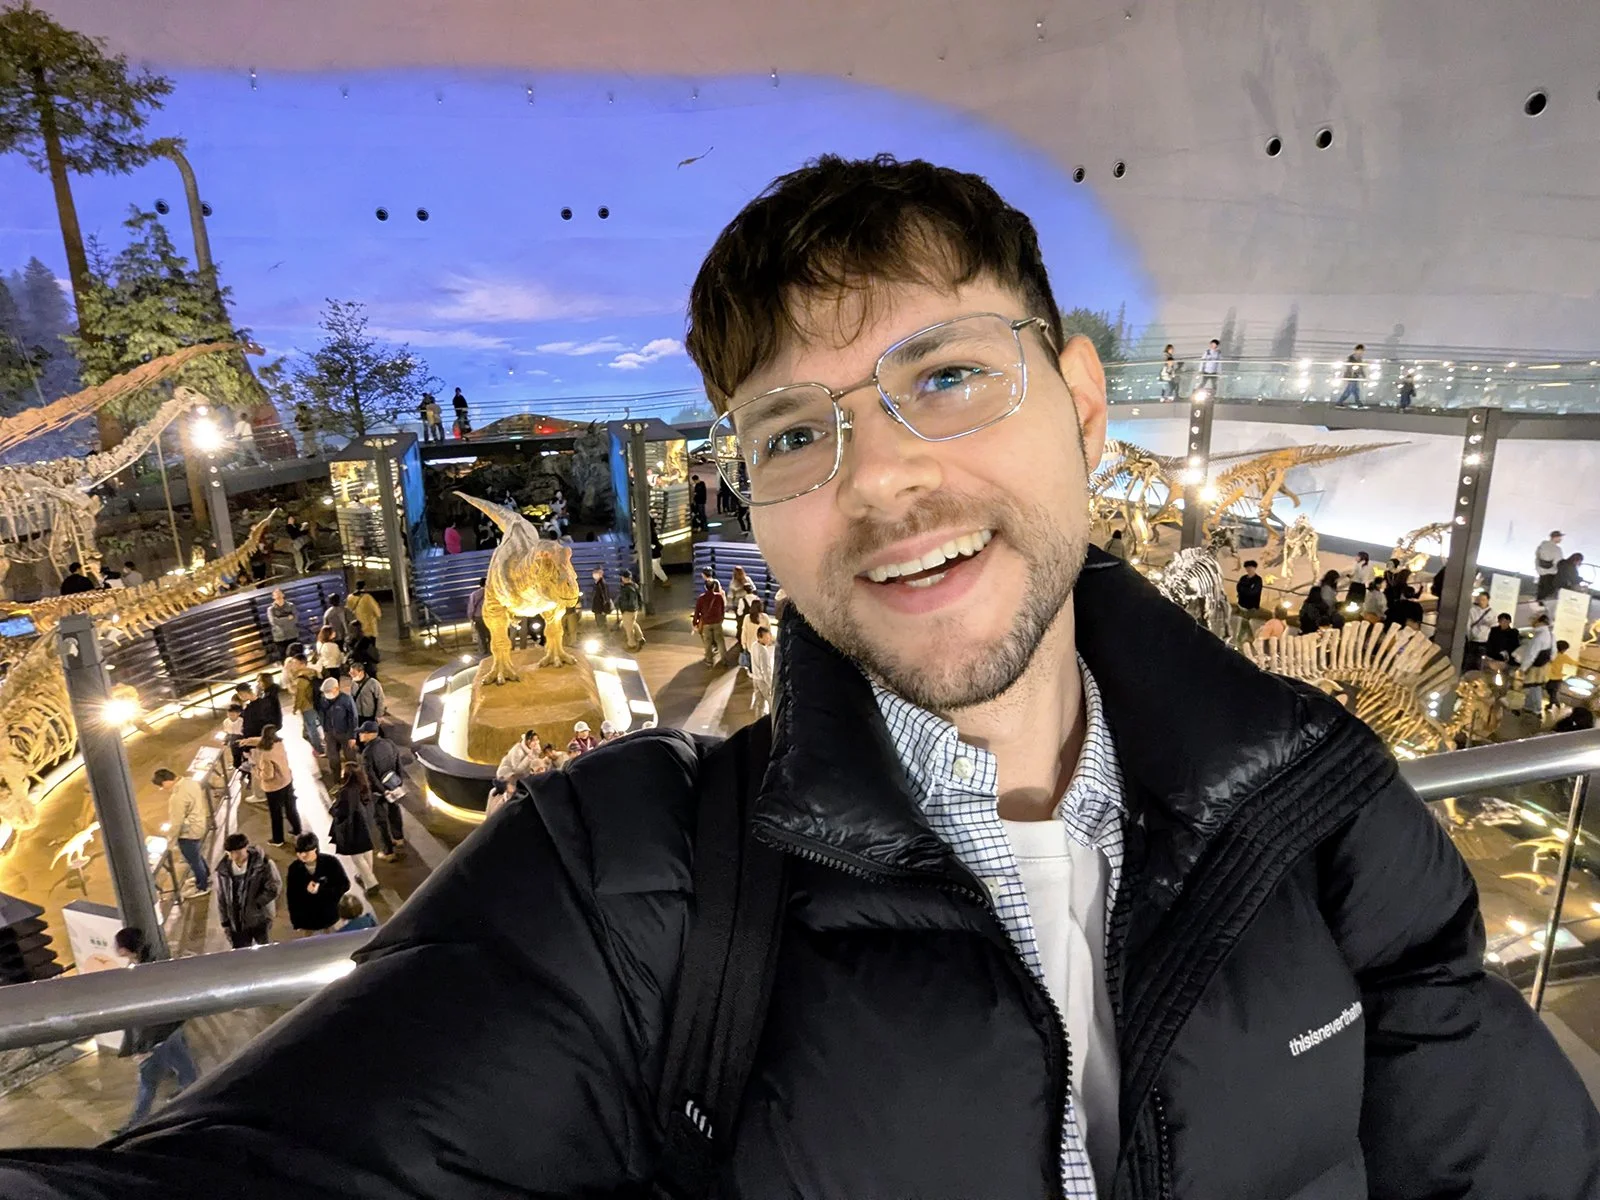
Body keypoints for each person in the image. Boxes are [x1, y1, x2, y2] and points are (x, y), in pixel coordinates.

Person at [5, 155, 1594, 1200]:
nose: (885, 480)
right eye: (795, 431)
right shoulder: (632, 884)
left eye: (948, 377)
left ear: (1086, 406)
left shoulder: (1317, 798)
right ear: (751, 493)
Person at [112, 928, 200, 1132]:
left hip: (157, 1037)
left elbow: (147, 1016)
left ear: (125, 949)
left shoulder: (141, 974)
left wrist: (142, 1047)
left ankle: (135, 1125)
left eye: (117, 944)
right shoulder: (151, 964)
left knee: (148, 1082)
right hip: (170, 1030)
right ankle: (191, 1095)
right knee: (185, 1068)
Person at [213, 832, 279, 949]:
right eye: (231, 853)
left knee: (265, 949)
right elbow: (221, 897)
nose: (234, 856)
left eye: (238, 852)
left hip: (259, 919)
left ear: (246, 848)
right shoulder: (223, 871)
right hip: (236, 922)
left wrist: (257, 904)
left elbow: (274, 886)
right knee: (241, 954)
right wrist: (225, 921)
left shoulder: (263, 864)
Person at [240, 724, 301, 847]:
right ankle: (297, 830)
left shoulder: (266, 755)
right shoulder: (279, 744)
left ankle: (278, 839)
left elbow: (268, 775)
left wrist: (256, 770)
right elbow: (262, 740)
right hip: (287, 780)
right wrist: (248, 741)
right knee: (290, 808)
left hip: (274, 787)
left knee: (276, 813)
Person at [154, 768, 209, 896]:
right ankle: (206, 875)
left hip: (188, 832)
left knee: (193, 859)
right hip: (200, 823)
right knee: (197, 855)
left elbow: (176, 823)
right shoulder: (190, 782)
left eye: (162, 786)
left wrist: (170, 842)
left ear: (166, 781)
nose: (164, 789)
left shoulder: (176, 798)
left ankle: (202, 886)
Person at [284, 832, 351, 935]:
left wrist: (321, 890)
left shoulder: (330, 863)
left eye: (306, 851)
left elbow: (344, 885)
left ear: (315, 848)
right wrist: (296, 921)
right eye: (299, 851)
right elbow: (292, 896)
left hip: (330, 915)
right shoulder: (294, 869)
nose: (302, 855)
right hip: (308, 919)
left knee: (332, 942)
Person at [329, 760, 385, 883]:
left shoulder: (346, 792)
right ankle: (364, 874)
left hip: (354, 828)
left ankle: (371, 883)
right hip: (366, 825)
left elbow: (339, 811)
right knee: (367, 850)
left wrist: (334, 805)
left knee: (357, 857)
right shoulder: (364, 787)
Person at [359, 721, 406, 853]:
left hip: (378, 792)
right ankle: (399, 838)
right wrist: (398, 783)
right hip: (393, 785)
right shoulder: (390, 744)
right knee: (394, 811)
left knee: (380, 820)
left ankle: (387, 851)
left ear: (370, 734)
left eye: (362, 733)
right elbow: (398, 763)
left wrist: (383, 791)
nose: (360, 735)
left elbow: (371, 776)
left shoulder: (367, 752)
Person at [320, 676, 359, 781]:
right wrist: (325, 731)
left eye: (329, 691)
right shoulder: (324, 700)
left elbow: (353, 718)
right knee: (333, 759)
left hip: (345, 733)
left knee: (350, 758)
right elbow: (322, 715)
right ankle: (336, 779)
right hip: (330, 733)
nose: (327, 694)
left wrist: (352, 736)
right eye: (325, 692)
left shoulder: (346, 699)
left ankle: (354, 779)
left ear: (336, 688)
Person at [692, 575, 725, 666]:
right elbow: (722, 609)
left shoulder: (701, 598)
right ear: (714, 587)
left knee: (707, 642)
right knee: (720, 641)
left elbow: (697, 612)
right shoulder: (719, 597)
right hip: (717, 622)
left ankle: (709, 661)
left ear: (705, 587)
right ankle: (724, 660)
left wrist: (695, 622)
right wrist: (721, 618)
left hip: (706, 623)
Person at [1545, 638, 1579, 716]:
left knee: (1550, 690)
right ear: (1563, 649)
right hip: (1557, 677)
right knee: (1553, 691)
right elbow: (1573, 663)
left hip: (1550, 676)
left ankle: (1553, 705)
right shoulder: (1563, 657)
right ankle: (1555, 704)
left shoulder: (1551, 654)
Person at [749, 623, 777, 716]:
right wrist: (770, 684)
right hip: (763, 681)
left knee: (759, 703)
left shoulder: (753, 645)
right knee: (771, 702)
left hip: (755, 679)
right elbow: (765, 671)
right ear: (760, 637)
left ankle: (758, 721)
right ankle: (770, 722)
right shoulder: (763, 651)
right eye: (767, 637)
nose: (769, 639)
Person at [266, 588, 300, 662]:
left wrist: (280, 619)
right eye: (276, 594)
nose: (278, 596)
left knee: (297, 656)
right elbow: (274, 622)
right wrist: (288, 618)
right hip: (280, 637)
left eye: (279, 593)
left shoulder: (291, 606)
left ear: (283, 594)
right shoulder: (271, 609)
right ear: (273, 597)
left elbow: (295, 619)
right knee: (284, 658)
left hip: (292, 634)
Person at [1465, 591, 1496, 671]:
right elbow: (1468, 624)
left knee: (1480, 662)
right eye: (1480, 599)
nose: (1481, 601)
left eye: (1483, 599)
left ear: (1488, 600)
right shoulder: (1472, 610)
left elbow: (1494, 626)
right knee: (1469, 661)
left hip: (1484, 641)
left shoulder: (1492, 613)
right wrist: (1469, 637)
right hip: (1473, 640)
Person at [349, 661, 386, 727]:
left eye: (353, 673)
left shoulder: (373, 683)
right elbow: (351, 698)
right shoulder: (353, 683)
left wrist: (379, 715)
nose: (351, 675)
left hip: (370, 716)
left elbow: (380, 700)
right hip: (358, 715)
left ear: (361, 672)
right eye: (350, 673)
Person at [616, 569, 644, 651]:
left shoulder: (627, 588)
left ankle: (631, 644)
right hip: (634, 610)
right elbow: (639, 597)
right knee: (633, 623)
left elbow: (629, 601)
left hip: (628, 610)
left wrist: (624, 608)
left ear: (624, 578)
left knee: (628, 628)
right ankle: (640, 638)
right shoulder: (634, 586)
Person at [1334, 343, 1366, 407]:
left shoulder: (1358, 358)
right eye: (1359, 350)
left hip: (1354, 376)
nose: (1360, 352)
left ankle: (1356, 402)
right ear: (1356, 350)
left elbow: (1360, 368)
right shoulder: (1352, 358)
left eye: (1361, 351)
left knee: (1353, 390)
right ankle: (1357, 402)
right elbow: (1350, 367)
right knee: (1352, 390)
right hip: (1351, 376)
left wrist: (1363, 374)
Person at [1535, 529, 1563, 596]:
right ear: (1555, 537)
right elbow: (1558, 562)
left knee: (1540, 589)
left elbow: (1537, 554)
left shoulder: (1543, 544)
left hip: (1540, 569)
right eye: (1560, 537)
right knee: (1547, 592)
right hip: (1551, 572)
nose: (1561, 539)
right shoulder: (1557, 549)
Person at [467, 576, 490, 653]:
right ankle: (492, 650)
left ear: (480, 584)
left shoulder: (474, 594)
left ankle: (483, 651)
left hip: (478, 617)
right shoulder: (491, 593)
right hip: (490, 616)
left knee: (481, 635)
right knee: (491, 634)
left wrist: (471, 617)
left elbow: (471, 607)